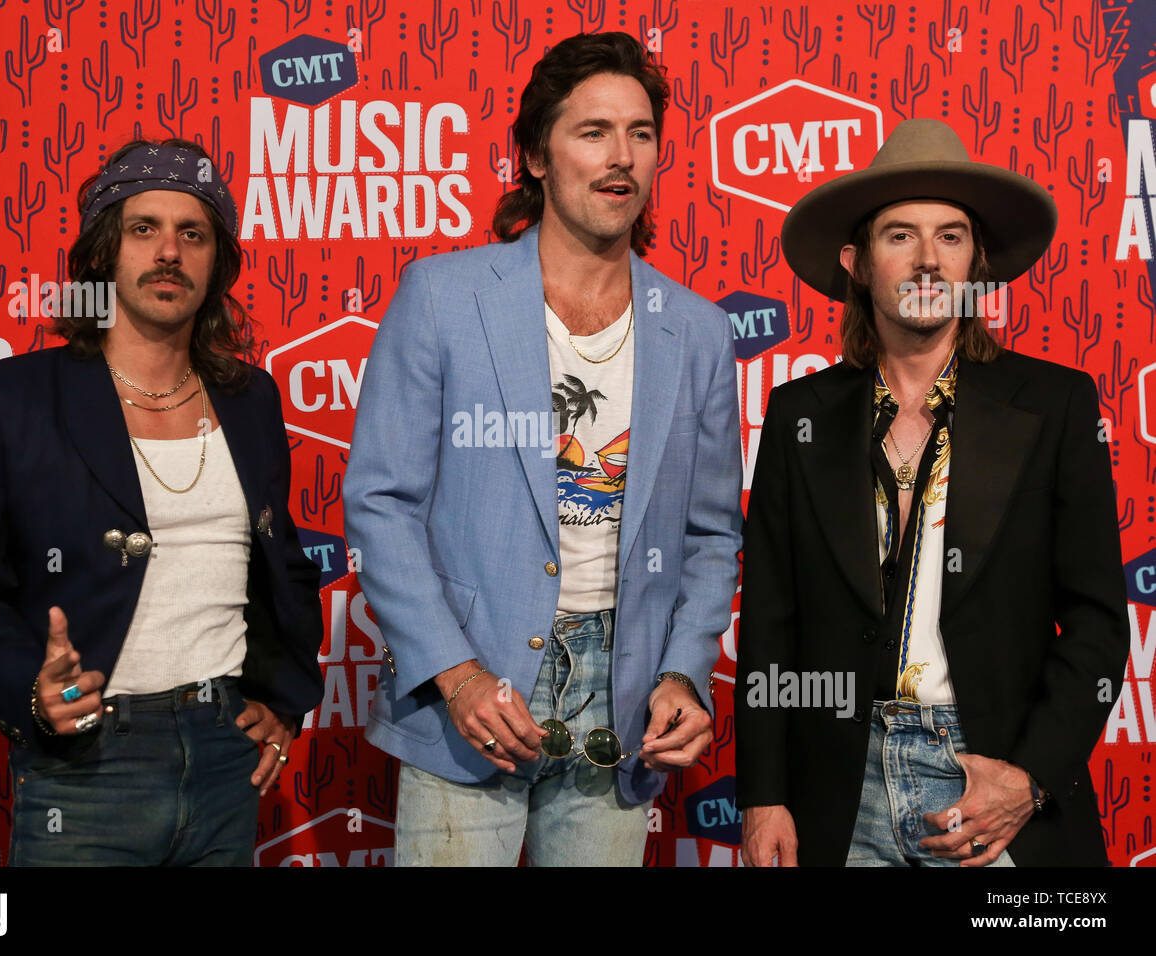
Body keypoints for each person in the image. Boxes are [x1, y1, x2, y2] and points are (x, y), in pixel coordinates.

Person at [343, 31, 742, 866]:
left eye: (640, 133)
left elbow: (710, 535)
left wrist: (682, 672)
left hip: (622, 702)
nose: (620, 156)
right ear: (534, 155)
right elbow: (381, 503)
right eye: (592, 131)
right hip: (474, 690)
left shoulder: (698, 331)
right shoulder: (444, 297)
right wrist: (454, 674)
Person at [0, 139, 325, 866]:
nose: (169, 251)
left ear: (216, 262)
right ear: (104, 252)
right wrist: (33, 690)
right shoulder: (3, 401)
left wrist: (285, 701)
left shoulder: (250, 398)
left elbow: (280, 565)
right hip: (85, 764)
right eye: (144, 229)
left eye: (192, 234)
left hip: (226, 754)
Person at [736, 118, 1128, 867]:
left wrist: (1031, 777)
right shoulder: (798, 416)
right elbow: (770, 623)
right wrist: (763, 793)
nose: (926, 260)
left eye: (950, 237)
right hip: (837, 794)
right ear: (857, 262)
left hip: (992, 783)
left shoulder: (1055, 406)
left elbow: (1099, 623)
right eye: (899, 236)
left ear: (977, 261)